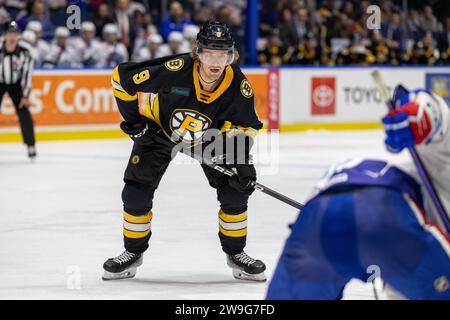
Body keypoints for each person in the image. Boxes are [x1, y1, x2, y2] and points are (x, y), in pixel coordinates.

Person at [103, 21, 266, 282]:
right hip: (159, 131)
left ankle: (236, 253)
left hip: (208, 139)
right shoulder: (175, 70)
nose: (215, 61)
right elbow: (121, 79)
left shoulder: (237, 84)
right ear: (198, 52)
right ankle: (132, 253)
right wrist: (134, 121)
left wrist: (241, 163)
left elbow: (246, 126)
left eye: (222, 54)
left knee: (235, 191)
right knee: (135, 192)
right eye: (210, 53)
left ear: (231, 55)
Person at [266, 86, 450, 299]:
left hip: (320, 208)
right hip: (387, 210)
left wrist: (425, 114)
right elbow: (433, 114)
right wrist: (422, 112)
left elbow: (437, 120)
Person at [0, 21, 36, 159]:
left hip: (16, 85)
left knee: (24, 112)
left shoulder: (25, 53)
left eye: (15, 33)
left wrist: (25, 95)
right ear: (5, 35)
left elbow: (27, 74)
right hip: (0, 83)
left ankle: (30, 144)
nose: (12, 36)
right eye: (9, 33)